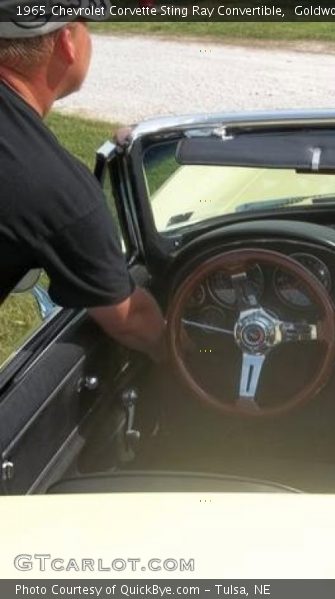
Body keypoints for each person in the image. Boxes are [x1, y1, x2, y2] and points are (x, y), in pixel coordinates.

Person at [0, 8, 166, 362]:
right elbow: (133, 320)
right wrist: (196, 355)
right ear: (67, 42)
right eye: (87, 27)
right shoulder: (53, 187)